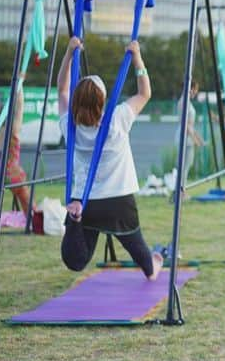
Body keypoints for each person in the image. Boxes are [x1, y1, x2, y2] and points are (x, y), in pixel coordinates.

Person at [57, 38, 162, 280]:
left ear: (77, 101)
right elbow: (145, 92)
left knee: (78, 260)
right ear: (104, 101)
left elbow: (61, 88)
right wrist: (137, 56)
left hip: (85, 200)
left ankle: (75, 220)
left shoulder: (70, 127)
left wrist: (69, 53)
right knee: (139, 249)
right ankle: (152, 267)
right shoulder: (117, 119)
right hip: (118, 199)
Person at [0, 81, 33, 218]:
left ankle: (32, 218)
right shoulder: (8, 131)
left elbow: (19, 109)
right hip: (8, 176)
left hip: (11, 176)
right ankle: (32, 218)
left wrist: (19, 86)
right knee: (29, 207)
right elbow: (19, 109)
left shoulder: (9, 131)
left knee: (29, 208)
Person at [175, 80, 204, 191]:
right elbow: (185, 124)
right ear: (191, 89)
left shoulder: (187, 102)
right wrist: (194, 139)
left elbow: (190, 125)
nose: (196, 93)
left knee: (186, 166)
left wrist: (198, 138)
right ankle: (181, 192)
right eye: (196, 90)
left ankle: (181, 191)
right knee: (184, 167)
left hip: (188, 138)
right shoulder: (183, 102)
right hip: (185, 139)